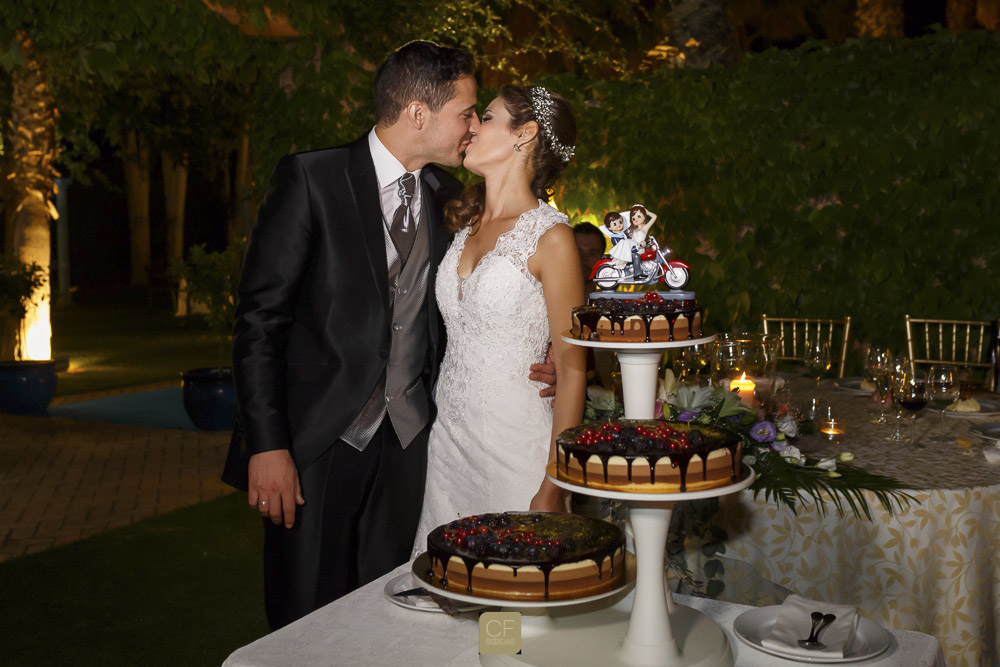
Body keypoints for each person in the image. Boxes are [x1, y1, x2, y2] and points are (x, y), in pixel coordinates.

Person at [221, 41, 556, 630]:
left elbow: (477, 307)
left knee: (389, 611)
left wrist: (546, 351)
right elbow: (258, 323)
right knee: (305, 615)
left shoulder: (448, 201)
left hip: (411, 450)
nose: (473, 127)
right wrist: (266, 444)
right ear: (419, 115)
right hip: (315, 444)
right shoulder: (311, 178)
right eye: (467, 112)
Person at [411, 85, 586, 547]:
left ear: (523, 134)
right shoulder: (466, 222)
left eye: (485, 117)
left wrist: (554, 483)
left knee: (516, 605)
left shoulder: (551, 238)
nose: (471, 126)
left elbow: (571, 368)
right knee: (451, 592)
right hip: (449, 443)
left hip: (517, 445)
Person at [573, 222, 606, 292]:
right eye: (578, 252)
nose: (584, 259)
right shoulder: (547, 300)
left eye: (592, 254)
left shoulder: (612, 301)